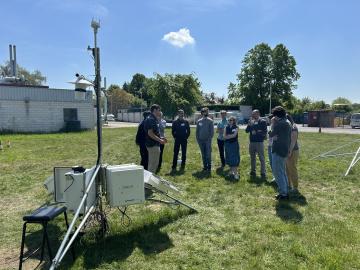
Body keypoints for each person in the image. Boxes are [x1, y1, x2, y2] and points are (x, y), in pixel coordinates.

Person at [269, 106, 292, 200]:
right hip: (283, 149)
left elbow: (271, 134)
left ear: (277, 116)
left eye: (274, 116)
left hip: (278, 150)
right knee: (282, 172)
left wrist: (272, 124)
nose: (273, 118)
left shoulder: (280, 123)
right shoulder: (287, 122)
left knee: (278, 172)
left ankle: (283, 193)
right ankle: (285, 191)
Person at [144, 104, 167, 173]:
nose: (160, 112)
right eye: (159, 110)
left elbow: (155, 133)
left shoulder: (153, 118)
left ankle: (150, 180)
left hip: (155, 144)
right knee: (152, 165)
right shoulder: (151, 119)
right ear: (154, 110)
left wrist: (162, 138)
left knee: (154, 164)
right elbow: (150, 133)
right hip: (152, 145)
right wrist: (160, 140)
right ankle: (148, 183)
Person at [245, 109, 267, 179]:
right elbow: (246, 131)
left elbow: (264, 132)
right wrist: (249, 124)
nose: (252, 115)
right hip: (252, 142)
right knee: (252, 158)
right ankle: (253, 171)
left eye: (254, 114)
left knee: (261, 158)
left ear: (258, 114)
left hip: (259, 142)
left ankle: (263, 172)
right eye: (252, 114)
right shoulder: (251, 121)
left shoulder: (262, 121)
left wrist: (256, 131)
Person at [196, 107, 214, 171]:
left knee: (208, 154)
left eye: (206, 111)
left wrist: (209, 140)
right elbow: (197, 132)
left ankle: (209, 166)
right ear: (202, 113)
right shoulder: (199, 121)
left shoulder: (210, 121)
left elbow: (212, 132)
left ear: (207, 113)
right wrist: (198, 140)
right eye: (204, 111)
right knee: (203, 154)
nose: (205, 112)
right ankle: (205, 166)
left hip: (208, 141)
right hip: (200, 141)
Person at [286, 114, 300, 193]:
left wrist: (290, 151)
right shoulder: (288, 126)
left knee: (292, 169)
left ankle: (295, 187)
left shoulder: (293, 127)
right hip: (287, 150)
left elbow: (293, 141)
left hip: (293, 151)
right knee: (286, 169)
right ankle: (288, 185)